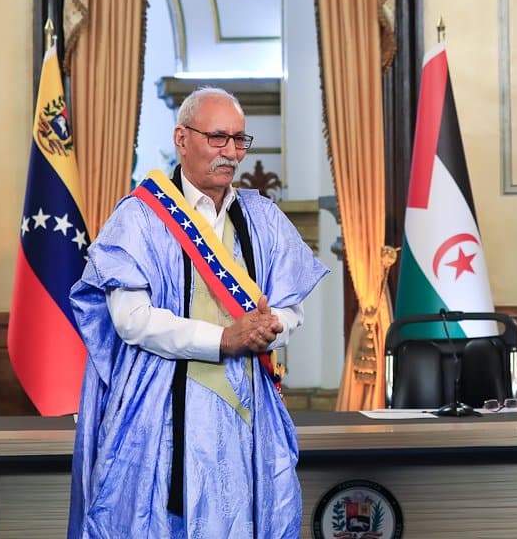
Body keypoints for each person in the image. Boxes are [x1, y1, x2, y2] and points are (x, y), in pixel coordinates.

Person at [68, 87, 328, 538]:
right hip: (160, 414)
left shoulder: (262, 218)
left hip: (250, 415)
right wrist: (224, 339)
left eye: (240, 140)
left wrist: (274, 326)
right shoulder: (139, 218)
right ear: (182, 139)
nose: (231, 152)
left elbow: (292, 309)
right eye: (218, 138)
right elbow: (132, 319)